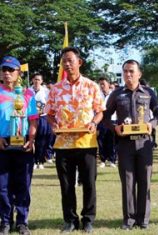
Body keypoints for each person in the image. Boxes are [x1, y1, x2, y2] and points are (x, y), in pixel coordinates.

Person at [45, 47, 104, 233]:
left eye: (70, 60)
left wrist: (94, 122)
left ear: (80, 62)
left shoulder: (91, 86)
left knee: (89, 182)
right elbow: (49, 113)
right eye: (64, 61)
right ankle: (70, 220)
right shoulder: (55, 89)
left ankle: (88, 219)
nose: (67, 64)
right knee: (67, 184)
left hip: (86, 142)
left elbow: (100, 111)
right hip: (63, 143)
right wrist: (54, 125)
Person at [103, 59, 158, 230]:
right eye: (125, 72)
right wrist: (115, 127)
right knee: (128, 182)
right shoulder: (117, 94)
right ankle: (128, 219)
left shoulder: (149, 92)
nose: (128, 75)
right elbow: (105, 117)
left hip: (144, 143)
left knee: (145, 181)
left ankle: (143, 219)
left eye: (131, 71)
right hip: (125, 144)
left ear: (139, 74)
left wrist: (152, 123)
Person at [0, 56, 38, 235]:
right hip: (2, 143)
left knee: (23, 184)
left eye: (11, 70)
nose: (7, 73)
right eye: (4, 70)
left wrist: (31, 139)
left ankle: (22, 222)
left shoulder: (28, 94)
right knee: (3, 186)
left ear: (18, 73)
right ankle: (5, 222)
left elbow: (33, 120)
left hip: (23, 143)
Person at [30, 73, 54, 169]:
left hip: (42, 117)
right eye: (35, 79)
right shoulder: (27, 90)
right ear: (32, 80)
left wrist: (44, 111)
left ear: (42, 81)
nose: (37, 81)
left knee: (42, 140)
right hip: (31, 118)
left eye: (39, 80)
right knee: (30, 139)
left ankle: (40, 161)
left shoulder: (46, 91)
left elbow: (49, 104)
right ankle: (33, 161)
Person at [97, 77, 117, 168]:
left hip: (112, 120)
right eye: (100, 84)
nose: (101, 86)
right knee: (101, 141)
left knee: (112, 141)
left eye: (103, 84)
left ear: (109, 84)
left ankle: (112, 160)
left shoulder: (114, 95)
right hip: (101, 120)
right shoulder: (97, 95)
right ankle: (103, 160)